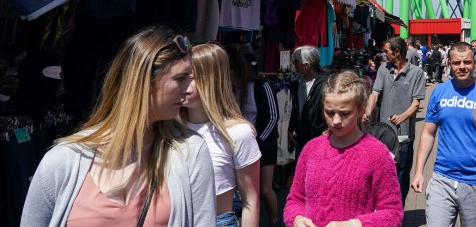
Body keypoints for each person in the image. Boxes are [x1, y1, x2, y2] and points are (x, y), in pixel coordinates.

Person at [21, 26, 215, 226]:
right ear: (142, 81)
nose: (190, 89)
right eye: (180, 78)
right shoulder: (64, 161)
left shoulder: (190, 153)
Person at [284, 71, 404, 227]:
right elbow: (295, 199)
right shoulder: (311, 149)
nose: (336, 121)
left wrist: (354, 224)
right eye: (329, 112)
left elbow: (393, 212)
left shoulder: (377, 154)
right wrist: (298, 219)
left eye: (345, 113)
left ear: (361, 109)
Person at [412, 41, 476, 227]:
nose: (462, 67)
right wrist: (419, 171)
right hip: (442, 179)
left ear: (474, 63)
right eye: (456, 63)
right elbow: (428, 133)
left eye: (466, 62)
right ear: (449, 64)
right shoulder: (439, 92)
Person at [182, 43, 261, 227]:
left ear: (211, 80)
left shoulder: (238, 133)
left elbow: (251, 201)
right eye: (179, 77)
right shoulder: (167, 127)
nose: (182, 84)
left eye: (190, 77)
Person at [365, 35, 426, 205]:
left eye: (386, 52)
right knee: (379, 176)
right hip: (382, 135)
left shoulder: (416, 73)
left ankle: (397, 214)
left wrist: (402, 117)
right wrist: (368, 111)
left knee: (400, 177)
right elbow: (375, 94)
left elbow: (416, 104)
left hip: (404, 136)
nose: (384, 55)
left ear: (397, 52)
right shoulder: (384, 69)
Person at [226, 46, 281, 227]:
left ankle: (273, 221)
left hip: (264, 144)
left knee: (265, 189)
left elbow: (273, 117)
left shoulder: (262, 85)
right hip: (240, 145)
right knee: (245, 190)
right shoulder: (232, 89)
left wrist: (257, 142)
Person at [290, 45, 329, 152]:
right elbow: (295, 107)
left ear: (306, 65)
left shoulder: (326, 84)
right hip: (301, 137)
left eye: (296, 61)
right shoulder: (296, 82)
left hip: (320, 137)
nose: (294, 64)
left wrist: (327, 130)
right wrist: (290, 128)